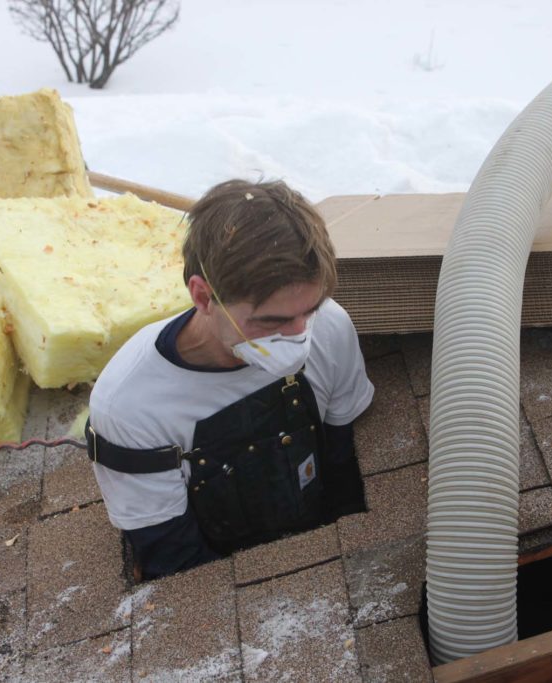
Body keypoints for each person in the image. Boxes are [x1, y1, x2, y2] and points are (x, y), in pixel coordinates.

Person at [85, 179, 375, 580]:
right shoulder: (131, 406)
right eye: (271, 321)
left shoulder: (331, 327)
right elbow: (177, 563)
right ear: (203, 297)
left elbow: (343, 462)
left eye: (309, 310)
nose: (298, 334)